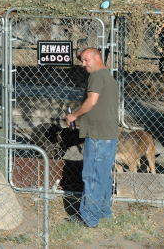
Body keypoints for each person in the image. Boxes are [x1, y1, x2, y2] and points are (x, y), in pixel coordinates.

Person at [66, 47, 119, 228]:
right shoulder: (108, 77)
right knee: (102, 175)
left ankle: (88, 218)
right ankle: (103, 212)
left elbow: (92, 101)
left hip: (98, 135)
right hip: (109, 135)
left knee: (92, 176)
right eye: (82, 60)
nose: (83, 64)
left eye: (86, 60)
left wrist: (74, 116)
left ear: (97, 58)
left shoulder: (96, 76)